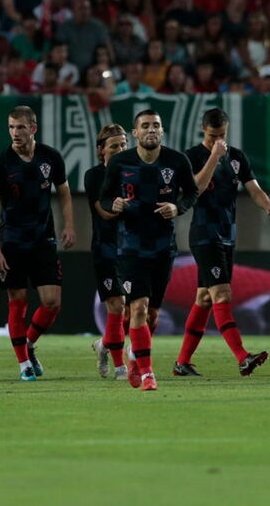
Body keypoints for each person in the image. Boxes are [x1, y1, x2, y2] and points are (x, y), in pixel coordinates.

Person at [174, 109, 270, 377]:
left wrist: (267, 206)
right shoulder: (192, 156)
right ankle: (243, 357)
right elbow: (194, 189)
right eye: (212, 136)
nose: (217, 140)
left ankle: (182, 363)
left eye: (221, 135)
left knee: (204, 299)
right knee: (222, 295)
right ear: (202, 131)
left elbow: (253, 187)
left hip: (227, 235)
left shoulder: (237, 157)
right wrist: (213, 157)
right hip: (204, 234)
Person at [99, 109, 198, 391]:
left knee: (152, 314)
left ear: (162, 131)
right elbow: (105, 196)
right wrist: (113, 204)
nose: (151, 130)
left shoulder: (177, 161)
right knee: (138, 307)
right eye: (145, 126)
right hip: (130, 247)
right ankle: (147, 373)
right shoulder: (120, 162)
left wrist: (177, 207)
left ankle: (134, 359)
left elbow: (191, 192)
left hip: (163, 248)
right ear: (136, 133)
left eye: (156, 125)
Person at [0, 106, 75, 381]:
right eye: (11, 127)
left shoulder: (51, 157)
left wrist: (69, 224)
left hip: (44, 240)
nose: (15, 133)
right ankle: (24, 364)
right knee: (18, 300)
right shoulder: (1, 163)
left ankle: (29, 343)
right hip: (12, 241)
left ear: (33, 129)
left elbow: (65, 193)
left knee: (52, 302)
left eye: (20, 127)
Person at [86, 124, 130, 380]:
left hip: (132, 248)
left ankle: (103, 345)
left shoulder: (135, 172)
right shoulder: (94, 176)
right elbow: (102, 211)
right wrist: (118, 207)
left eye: (124, 145)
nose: (121, 149)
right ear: (102, 150)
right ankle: (120, 366)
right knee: (117, 304)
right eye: (115, 146)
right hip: (105, 247)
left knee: (134, 310)